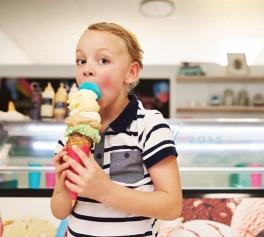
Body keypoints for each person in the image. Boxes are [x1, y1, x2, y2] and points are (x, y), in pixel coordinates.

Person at [50, 22, 182, 237]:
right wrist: (63, 184)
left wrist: (105, 191)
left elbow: (172, 206)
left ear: (131, 73)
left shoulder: (148, 125)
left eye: (103, 60)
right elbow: (59, 211)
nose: (87, 69)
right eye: (80, 60)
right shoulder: (70, 134)